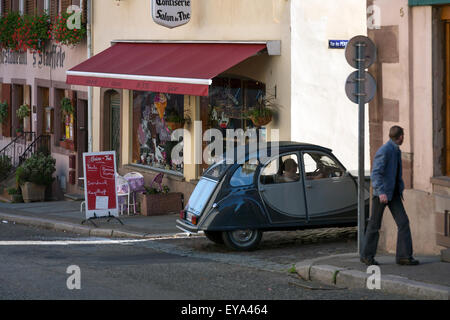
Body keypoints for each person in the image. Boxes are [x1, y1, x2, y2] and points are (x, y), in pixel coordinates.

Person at [360, 126, 419, 266]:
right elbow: (376, 173)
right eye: (403, 135)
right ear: (400, 137)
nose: (403, 138)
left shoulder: (395, 150)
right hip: (382, 195)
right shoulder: (385, 150)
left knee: (403, 222)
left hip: (393, 193)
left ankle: (404, 256)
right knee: (374, 224)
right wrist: (381, 192)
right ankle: (366, 256)